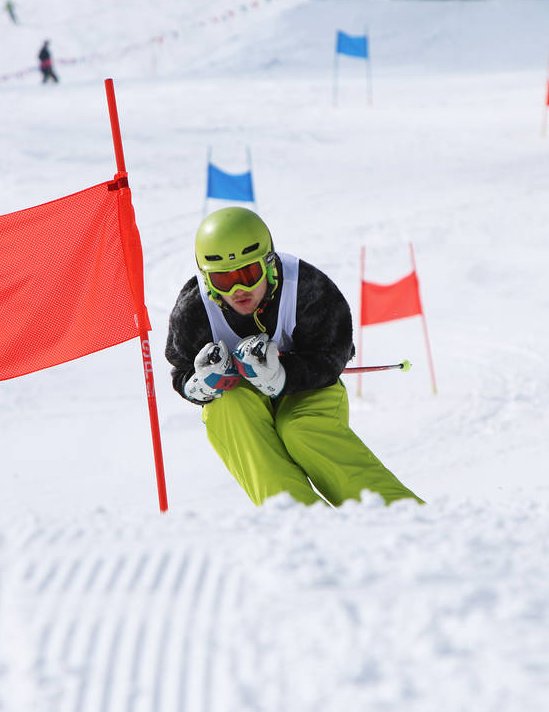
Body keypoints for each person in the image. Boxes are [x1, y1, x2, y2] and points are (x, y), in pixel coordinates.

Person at [164, 208, 422, 507]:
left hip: (307, 388)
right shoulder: (194, 310)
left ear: (268, 263)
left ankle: (397, 512)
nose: (238, 290)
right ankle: (300, 518)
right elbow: (181, 369)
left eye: (248, 275)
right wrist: (199, 384)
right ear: (208, 279)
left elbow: (333, 352)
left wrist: (284, 375)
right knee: (228, 409)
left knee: (301, 430)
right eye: (224, 280)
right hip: (239, 394)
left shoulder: (305, 288)